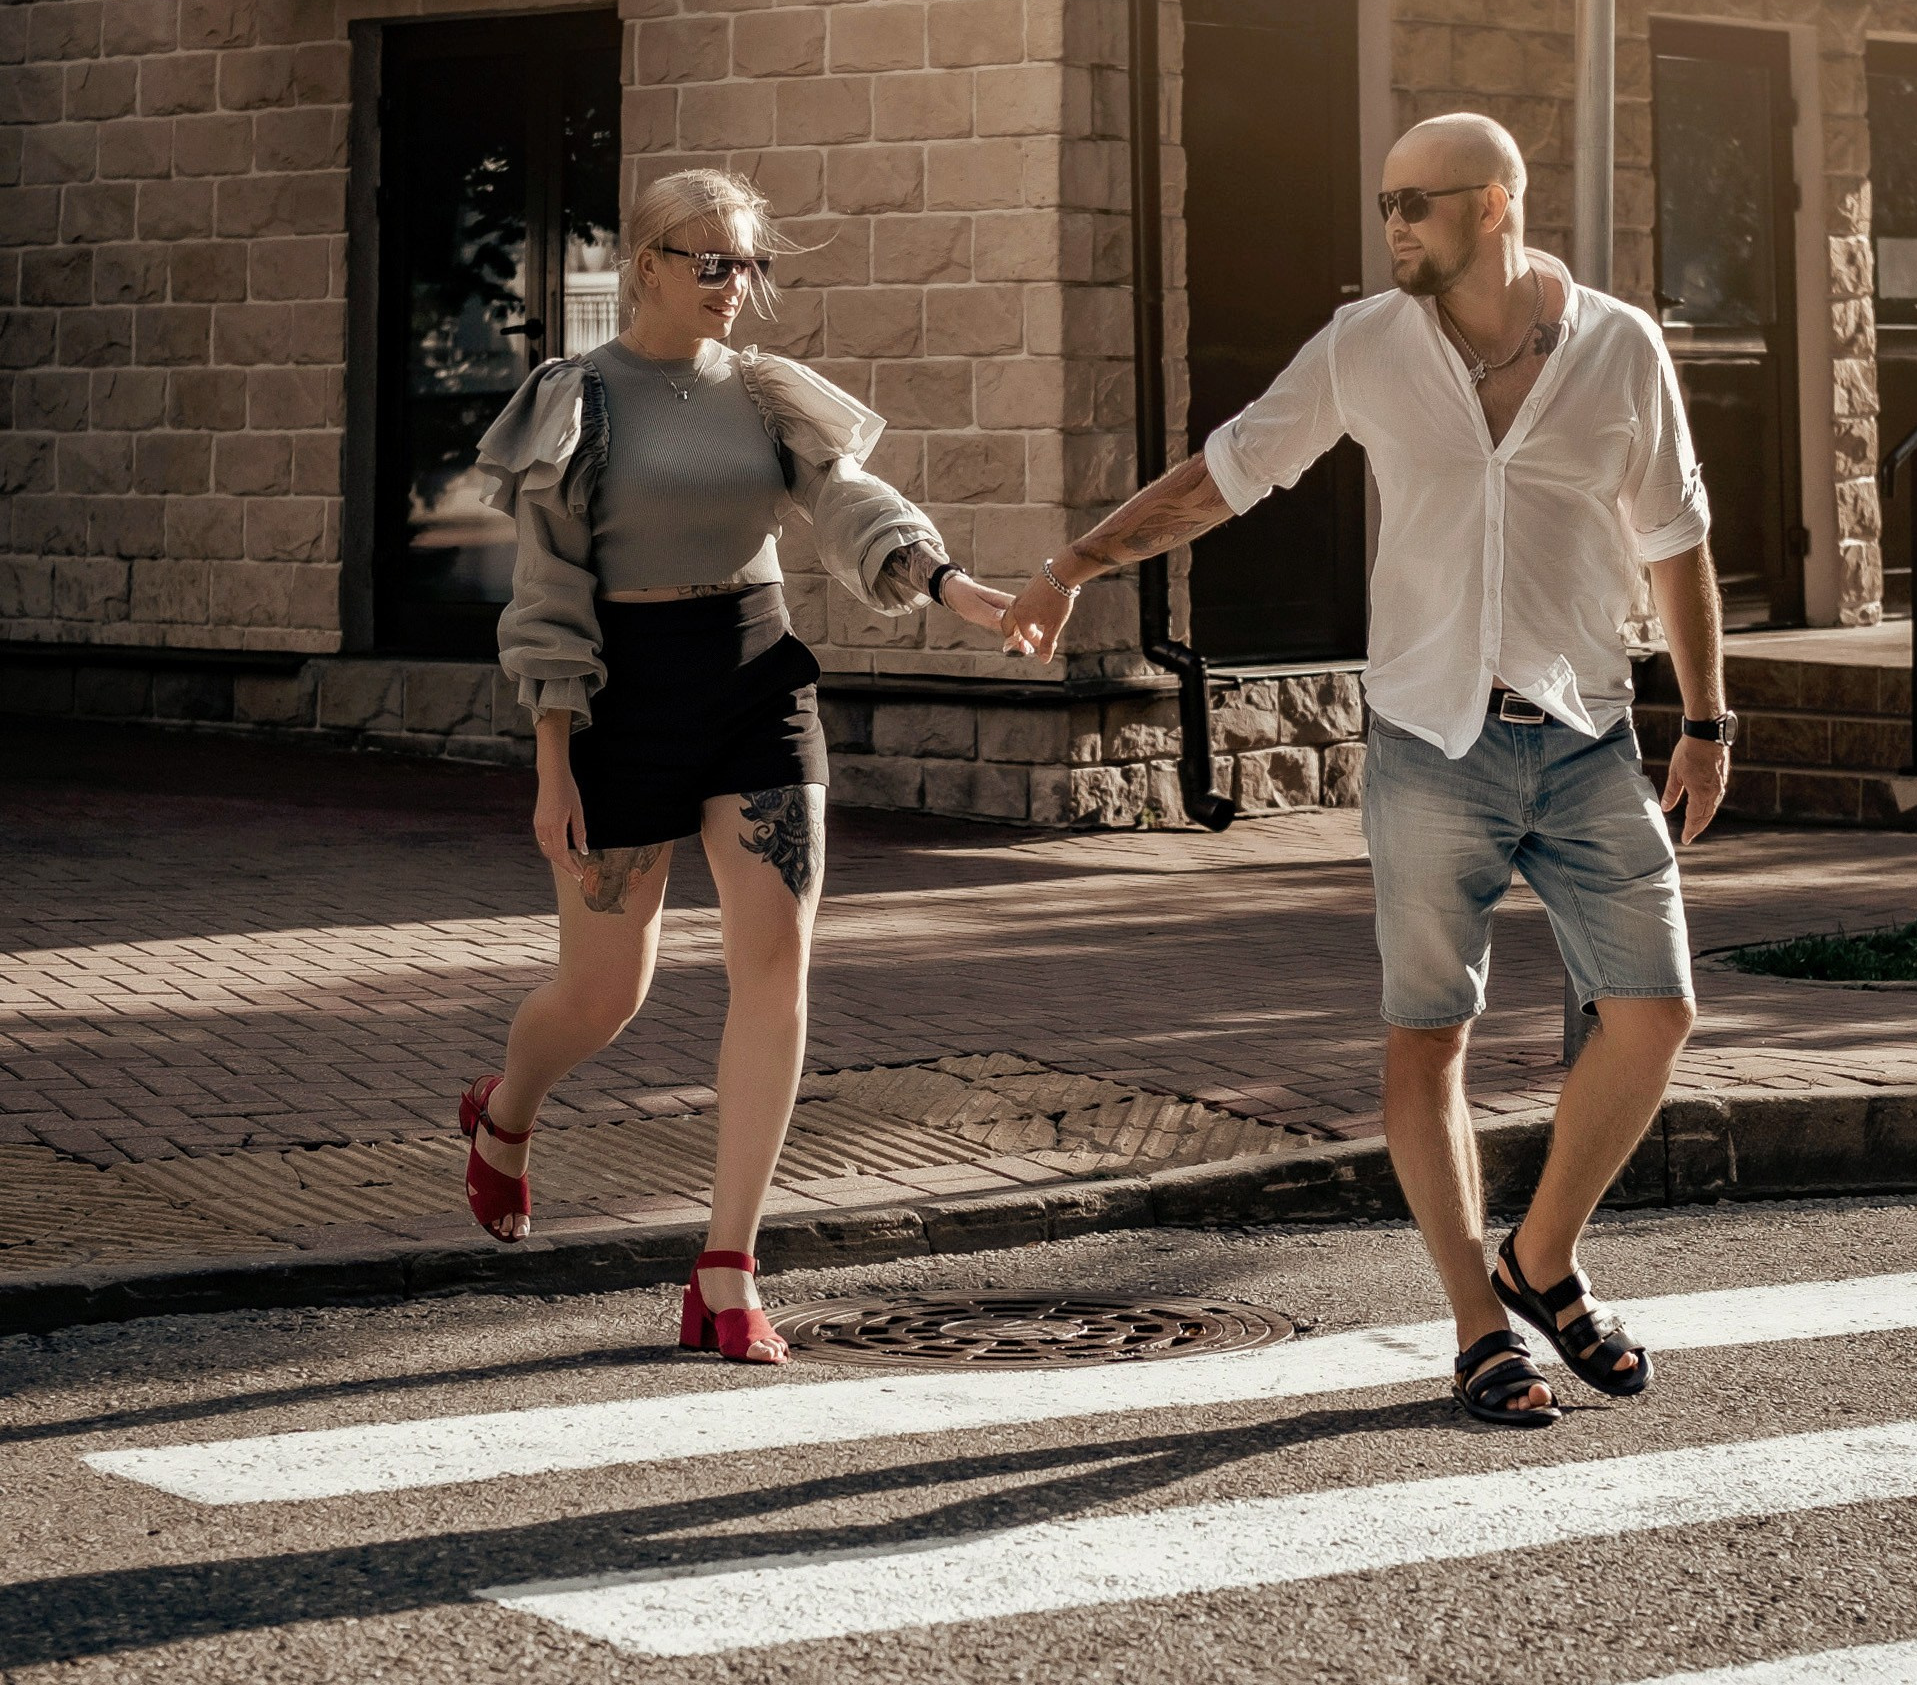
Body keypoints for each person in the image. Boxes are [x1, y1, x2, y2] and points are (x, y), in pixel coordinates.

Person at [1002, 110, 1729, 1428]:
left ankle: (1540, 1256)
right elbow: (1222, 476)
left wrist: (1707, 719)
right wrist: (1072, 565)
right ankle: (1477, 1324)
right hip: (1428, 745)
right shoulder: (1365, 345)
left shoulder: (1619, 344)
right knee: (1427, 1033)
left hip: (1584, 732)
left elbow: (1675, 537)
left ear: (1494, 204)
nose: (1391, 223)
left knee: (1654, 1011)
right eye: (1383, 200)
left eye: (1416, 202)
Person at [461, 165, 1014, 1362]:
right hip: (620, 700)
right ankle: (504, 1113)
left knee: (775, 965)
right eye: (711, 261)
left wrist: (948, 582)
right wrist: (553, 763)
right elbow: (548, 590)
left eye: (749, 264)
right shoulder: (578, 400)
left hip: (758, 680)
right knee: (605, 995)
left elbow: (846, 497)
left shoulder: (763, 392)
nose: (735, 285)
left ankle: (727, 1268)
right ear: (646, 265)